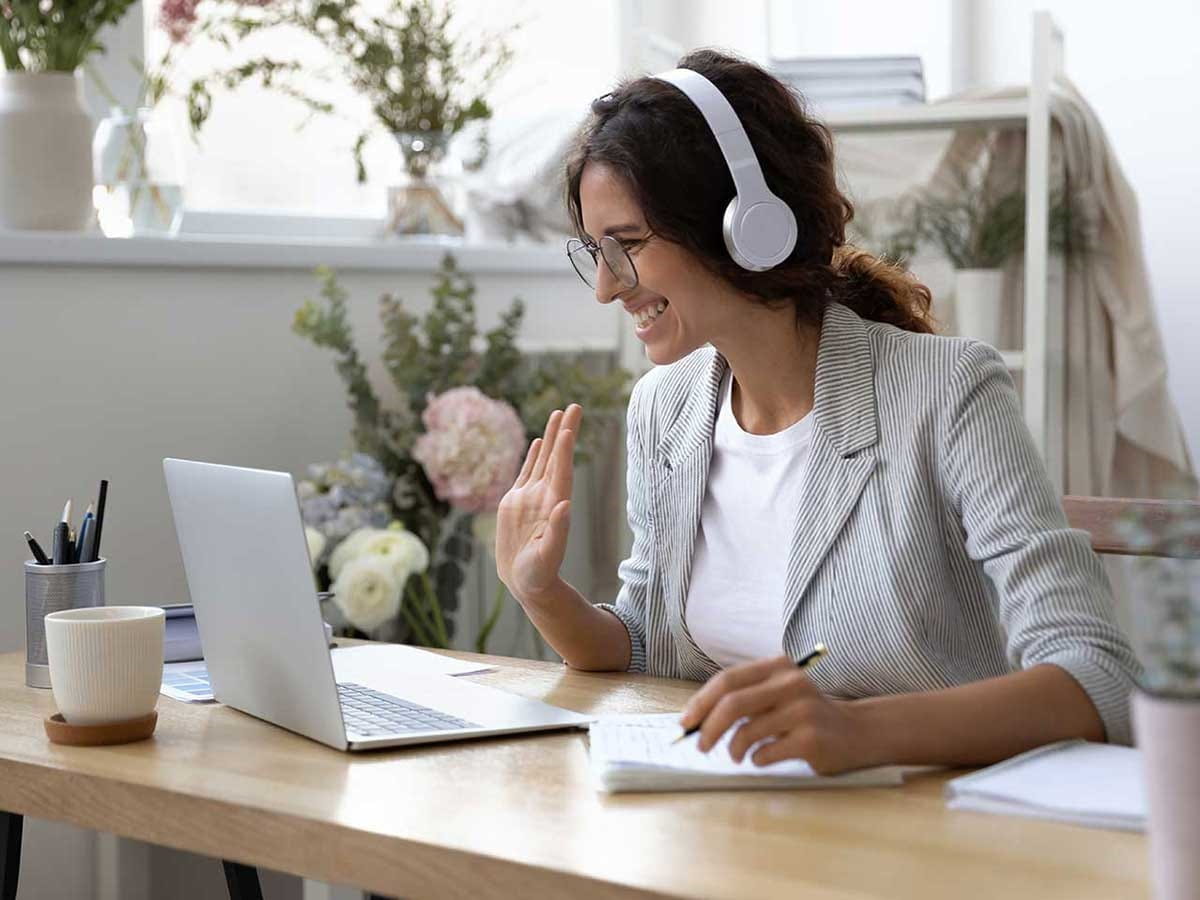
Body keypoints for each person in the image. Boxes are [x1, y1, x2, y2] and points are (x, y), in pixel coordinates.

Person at [494, 49, 1140, 775]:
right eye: (595, 251)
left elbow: (1099, 678)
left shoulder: (949, 391)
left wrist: (858, 731)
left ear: (744, 223)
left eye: (629, 245)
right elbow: (647, 645)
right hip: (721, 817)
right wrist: (542, 593)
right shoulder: (665, 408)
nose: (606, 288)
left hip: (921, 819)